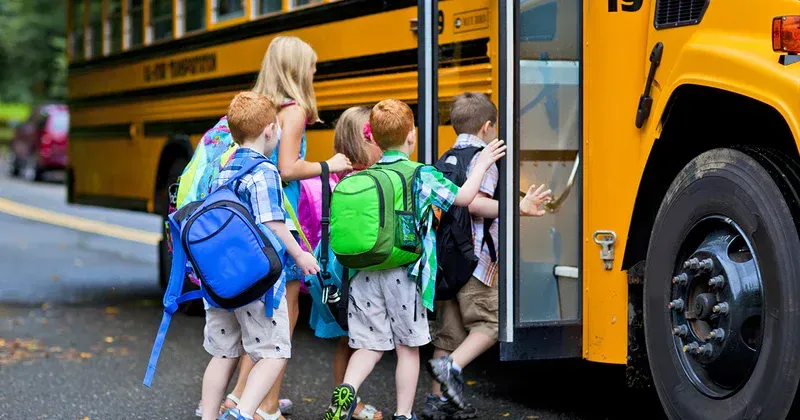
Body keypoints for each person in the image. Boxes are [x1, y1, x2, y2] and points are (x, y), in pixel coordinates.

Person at [324, 99, 507, 420]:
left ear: (374, 139)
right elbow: (463, 199)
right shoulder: (420, 173)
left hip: (364, 273)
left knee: (368, 345)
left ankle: (348, 389)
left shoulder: (366, 174)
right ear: (411, 135)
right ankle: (404, 413)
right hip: (405, 274)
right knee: (407, 348)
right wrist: (480, 166)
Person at [215, 36, 353, 420]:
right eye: (311, 66)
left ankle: (241, 396)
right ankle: (265, 405)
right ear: (295, 69)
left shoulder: (261, 107)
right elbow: (289, 167)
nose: (314, 72)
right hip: (282, 213)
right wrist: (331, 165)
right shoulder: (292, 111)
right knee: (283, 316)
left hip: (251, 218)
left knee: (258, 315)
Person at [422, 92, 552, 420]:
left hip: (446, 262)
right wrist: (518, 207)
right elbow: (476, 203)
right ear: (487, 126)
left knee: (449, 335)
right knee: (491, 322)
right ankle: (450, 368)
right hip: (476, 263)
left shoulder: (446, 158)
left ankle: (437, 403)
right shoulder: (486, 156)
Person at [201, 91, 320, 420]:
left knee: (223, 354)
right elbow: (272, 222)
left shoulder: (222, 168)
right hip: (257, 279)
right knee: (275, 351)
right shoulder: (264, 171)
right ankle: (243, 412)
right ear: (270, 130)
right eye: (279, 128)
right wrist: (301, 255)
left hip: (221, 279)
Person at [299, 106, 384, 420]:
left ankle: (345, 399)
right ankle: (351, 402)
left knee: (348, 339)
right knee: (357, 339)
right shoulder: (364, 180)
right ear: (364, 142)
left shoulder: (340, 176)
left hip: (339, 267)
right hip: (354, 269)